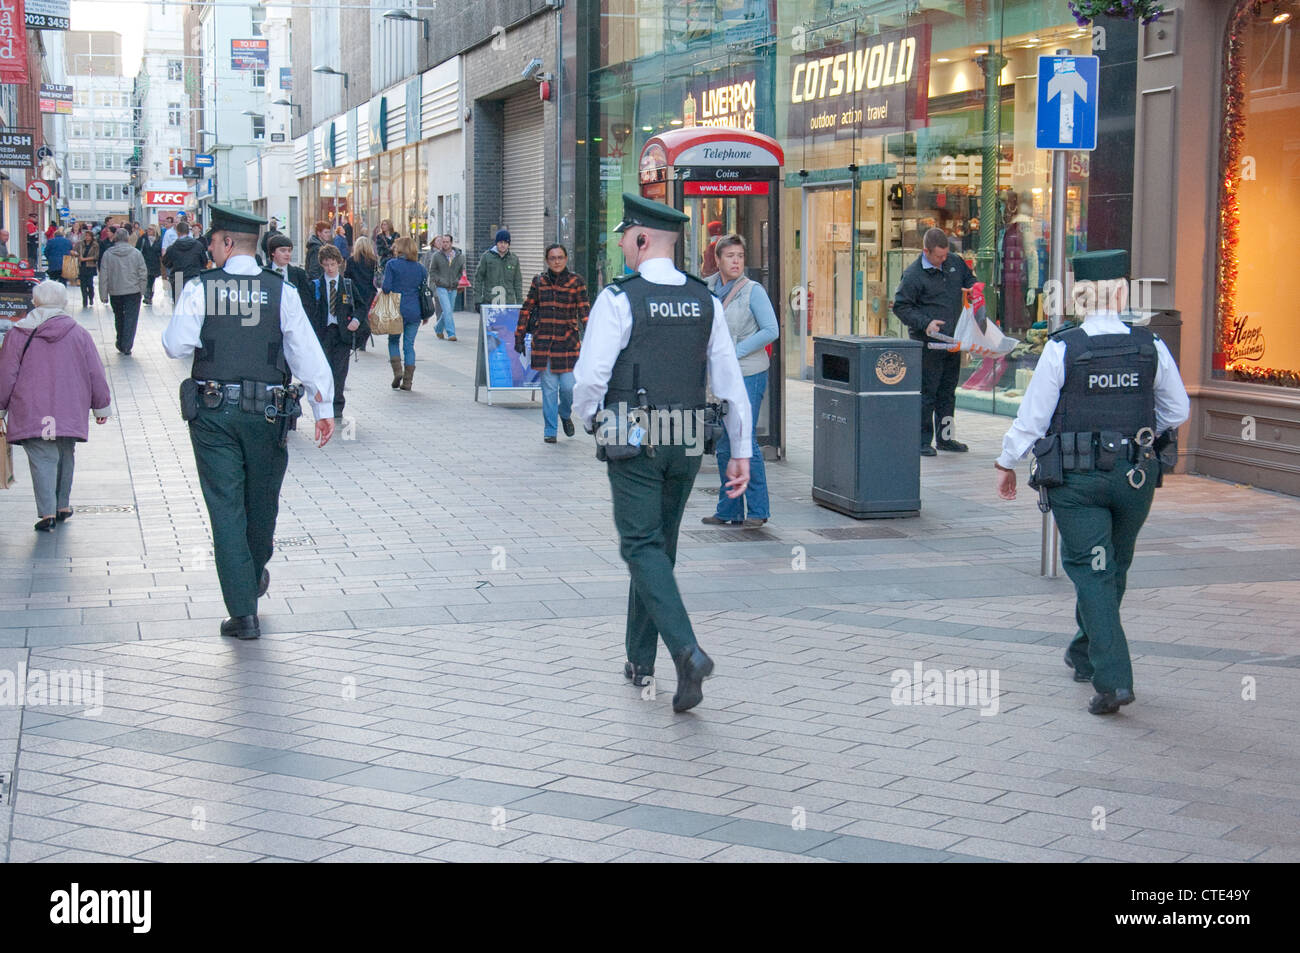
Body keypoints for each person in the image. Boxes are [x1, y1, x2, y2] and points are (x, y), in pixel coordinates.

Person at [572, 193, 753, 714]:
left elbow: (590, 378)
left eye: (627, 238)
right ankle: (639, 658)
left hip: (633, 433)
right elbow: (728, 380)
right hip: (690, 436)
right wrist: (740, 449)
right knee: (659, 547)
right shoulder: (705, 299)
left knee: (640, 546)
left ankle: (687, 653)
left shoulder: (619, 298)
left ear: (643, 239)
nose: (624, 247)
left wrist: (589, 419)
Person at [995, 283, 1189, 716]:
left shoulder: (1063, 348)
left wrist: (1005, 461)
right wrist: (1135, 436)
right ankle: (1084, 652)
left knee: (1094, 571)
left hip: (1077, 479)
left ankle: (1113, 681)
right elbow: (1177, 411)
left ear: (1079, 302)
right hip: (1135, 475)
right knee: (1112, 566)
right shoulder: (1150, 344)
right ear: (1121, 299)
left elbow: (1033, 419)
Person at [161, 205, 335, 641]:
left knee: (226, 508)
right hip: (269, 414)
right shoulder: (281, 290)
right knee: (263, 504)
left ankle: (243, 612)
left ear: (223, 243)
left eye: (213, 243)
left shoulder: (202, 287)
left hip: (214, 413)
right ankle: (252, 573)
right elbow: (305, 352)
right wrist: (323, 407)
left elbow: (176, 345)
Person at [0, 280, 112, 532]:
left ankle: (48, 512)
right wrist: (101, 407)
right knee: (64, 453)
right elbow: (95, 371)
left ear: (35, 301)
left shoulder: (18, 333)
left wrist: (1, 407)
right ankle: (62, 505)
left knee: (42, 457)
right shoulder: (79, 333)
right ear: (62, 302)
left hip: (31, 407)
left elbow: (6, 374)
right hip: (68, 406)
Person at [701, 233, 778, 527]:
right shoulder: (707, 289)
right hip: (719, 374)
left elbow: (771, 330)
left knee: (744, 439)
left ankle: (758, 510)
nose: (736, 261)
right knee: (723, 442)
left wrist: (736, 351)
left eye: (740, 256)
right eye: (730, 256)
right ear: (717, 260)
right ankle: (729, 509)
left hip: (748, 372)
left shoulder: (752, 291)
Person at [892, 226, 977, 456]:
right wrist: (925, 323)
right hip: (928, 343)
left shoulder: (954, 262)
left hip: (953, 341)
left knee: (948, 392)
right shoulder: (913, 275)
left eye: (945, 255)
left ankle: (946, 437)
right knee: (927, 392)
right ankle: (921, 441)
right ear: (926, 251)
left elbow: (970, 279)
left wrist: (973, 288)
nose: (942, 260)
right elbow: (901, 307)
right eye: (938, 256)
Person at [516, 244, 590, 443]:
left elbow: (585, 313)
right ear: (547, 260)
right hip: (545, 344)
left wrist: (593, 340)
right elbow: (527, 309)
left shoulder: (576, 282)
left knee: (568, 388)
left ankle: (564, 414)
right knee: (549, 389)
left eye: (560, 257)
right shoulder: (539, 281)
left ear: (566, 259)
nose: (556, 261)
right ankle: (550, 430)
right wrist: (519, 335)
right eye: (552, 258)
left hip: (568, 344)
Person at [309, 245, 361, 420]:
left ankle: (337, 405)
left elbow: (361, 306)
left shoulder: (347, 285)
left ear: (339, 263)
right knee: (324, 369)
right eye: (326, 265)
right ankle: (324, 402)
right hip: (323, 332)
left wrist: (356, 320)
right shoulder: (316, 285)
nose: (330, 268)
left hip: (342, 333)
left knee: (340, 371)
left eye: (333, 264)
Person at [380, 235, 429, 391]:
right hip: (414, 311)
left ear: (400, 249)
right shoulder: (421, 268)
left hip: (396, 310)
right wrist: (425, 314)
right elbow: (423, 291)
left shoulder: (392, 265)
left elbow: (386, 288)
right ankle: (408, 382)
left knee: (393, 341)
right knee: (409, 346)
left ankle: (397, 372)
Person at [98, 230, 148, 355]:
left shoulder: (108, 254)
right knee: (131, 318)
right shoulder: (136, 253)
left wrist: (103, 294)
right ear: (127, 238)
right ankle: (127, 344)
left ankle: (120, 341)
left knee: (119, 316)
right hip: (133, 290)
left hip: (115, 291)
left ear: (115, 238)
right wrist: (142, 289)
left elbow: (103, 275)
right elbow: (142, 272)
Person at [266, 234, 315, 315]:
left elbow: (307, 302)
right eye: (283, 250)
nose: (287, 254)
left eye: (289, 250)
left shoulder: (299, 274)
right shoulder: (264, 272)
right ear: (272, 252)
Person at [429, 234, 465, 341]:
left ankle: (438, 328)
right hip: (441, 287)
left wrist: (457, 280)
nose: (444, 244)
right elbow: (432, 271)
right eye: (443, 242)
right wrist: (438, 281)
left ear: (451, 243)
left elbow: (460, 271)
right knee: (448, 310)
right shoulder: (436, 256)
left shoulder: (459, 256)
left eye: (447, 242)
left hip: (453, 287)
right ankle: (451, 333)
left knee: (447, 311)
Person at [474, 229, 522, 308]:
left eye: (506, 243)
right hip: (490, 302)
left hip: (508, 302)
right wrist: (477, 300)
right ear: (496, 243)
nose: (503, 245)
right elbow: (478, 279)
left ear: (509, 244)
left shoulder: (514, 259)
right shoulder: (486, 257)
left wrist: (520, 302)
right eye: (500, 242)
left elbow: (517, 282)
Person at [162, 221, 208, 297]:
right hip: (194, 278)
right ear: (188, 231)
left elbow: (166, 262)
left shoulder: (173, 248)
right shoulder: (198, 245)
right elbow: (204, 261)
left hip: (178, 279)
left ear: (178, 232)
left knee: (179, 306)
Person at [345, 235, 380, 330]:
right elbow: (376, 278)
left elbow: (346, 277)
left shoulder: (351, 261)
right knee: (365, 314)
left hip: (355, 291)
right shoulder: (373, 261)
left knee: (356, 313)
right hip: (369, 292)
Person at [139, 225, 164, 305]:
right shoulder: (143, 238)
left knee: (151, 280)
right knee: (146, 279)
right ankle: (147, 296)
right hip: (144, 262)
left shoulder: (159, 240)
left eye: (151, 229)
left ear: (155, 231)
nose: (148, 231)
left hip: (154, 263)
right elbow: (138, 249)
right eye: (148, 229)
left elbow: (161, 251)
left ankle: (149, 296)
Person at [76, 229, 100, 309]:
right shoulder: (80, 244)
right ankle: (84, 300)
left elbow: (96, 256)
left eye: (89, 236)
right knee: (83, 284)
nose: (87, 237)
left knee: (90, 284)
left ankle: (91, 297)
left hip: (90, 266)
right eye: (86, 235)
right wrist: (76, 254)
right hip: (81, 266)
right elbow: (73, 251)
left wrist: (85, 259)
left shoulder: (95, 245)